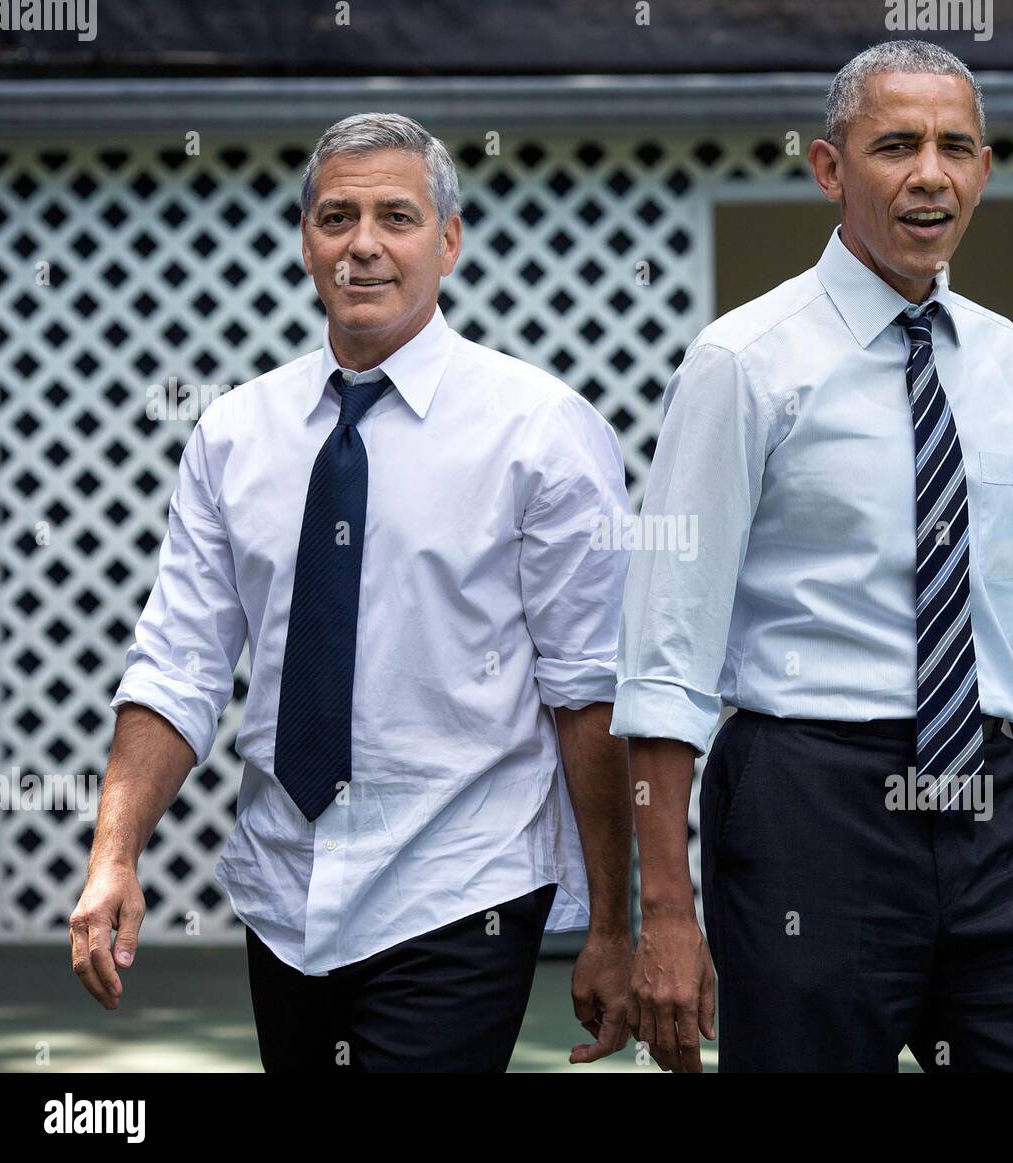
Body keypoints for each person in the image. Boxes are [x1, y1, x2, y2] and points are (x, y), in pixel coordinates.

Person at [70, 112, 635, 1072]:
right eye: (336, 217)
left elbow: (591, 691)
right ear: (305, 241)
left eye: (396, 217)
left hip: (462, 887)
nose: (363, 244)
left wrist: (620, 924)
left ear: (448, 241)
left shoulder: (540, 431)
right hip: (282, 895)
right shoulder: (234, 435)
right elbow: (178, 666)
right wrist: (113, 852)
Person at [612, 40, 1013, 1073]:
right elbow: (664, 655)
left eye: (953, 146)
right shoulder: (744, 363)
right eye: (894, 145)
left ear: (982, 168)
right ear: (828, 168)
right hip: (808, 803)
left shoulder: (1009, 362)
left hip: (991, 797)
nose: (927, 173)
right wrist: (666, 910)